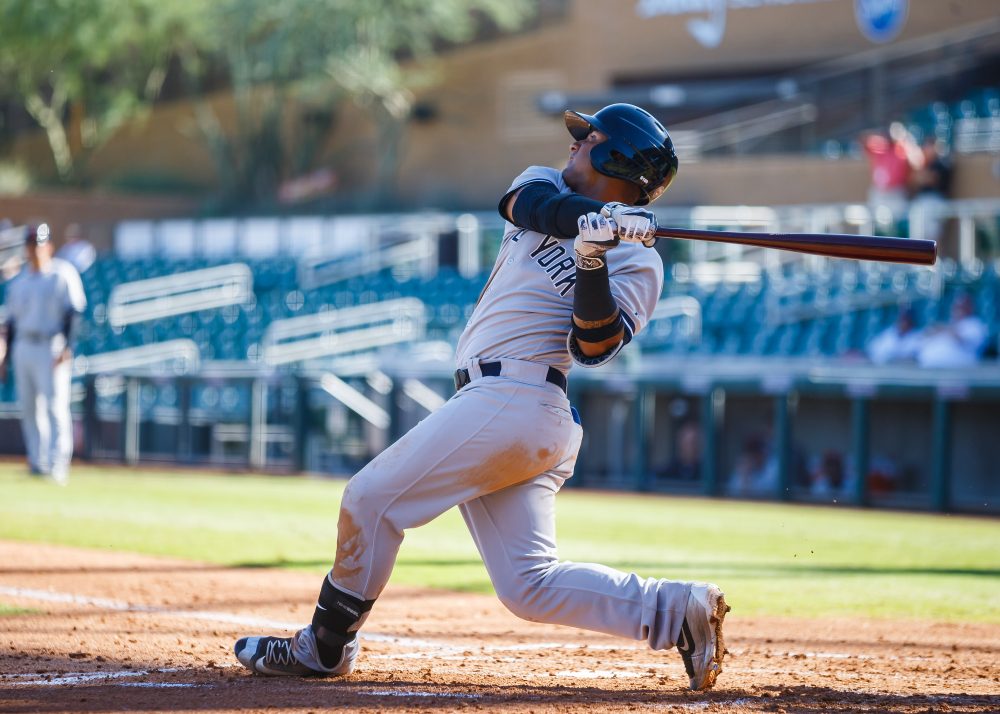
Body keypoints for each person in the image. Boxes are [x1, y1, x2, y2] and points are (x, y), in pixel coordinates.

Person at [233, 103, 730, 691]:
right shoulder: (543, 186)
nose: (572, 145)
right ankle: (679, 612)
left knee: (369, 500)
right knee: (529, 585)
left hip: (521, 396)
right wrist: (600, 217)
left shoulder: (640, 259)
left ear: (616, 156)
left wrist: (595, 259)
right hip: (507, 408)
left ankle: (324, 646)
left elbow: (594, 346)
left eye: (586, 137)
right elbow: (527, 206)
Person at [0, 224, 87, 484]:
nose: (34, 250)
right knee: (29, 407)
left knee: (55, 405)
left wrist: (68, 347)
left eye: (38, 245)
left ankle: (58, 464)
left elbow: (75, 312)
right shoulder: (20, 281)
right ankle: (37, 462)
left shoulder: (62, 273)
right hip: (24, 344)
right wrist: (4, 358)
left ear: (48, 246)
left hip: (52, 343)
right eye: (30, 245)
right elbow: (11, 322)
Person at [861, 122, 920, 234]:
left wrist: (904, 141)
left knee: (898, 224)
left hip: (897, 193)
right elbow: (864, 141)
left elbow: (916, 162)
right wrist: (880, 136)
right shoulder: (881, 148)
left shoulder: (904, 150)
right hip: (880, 193)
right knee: (877, 222)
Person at [917, 293, 989, 368]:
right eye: (956, 307)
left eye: (962, 307)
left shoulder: (975, 324)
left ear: (970, 308)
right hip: (933, 366)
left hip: (959, 367)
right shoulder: (952, 323)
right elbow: (924, 337)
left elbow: (966, 342)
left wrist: (946, 329)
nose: (958, 310)